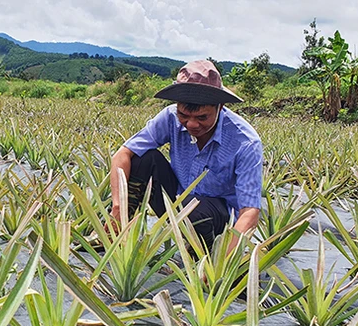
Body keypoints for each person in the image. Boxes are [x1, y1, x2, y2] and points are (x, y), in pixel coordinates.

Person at [110, 59, 262, 249]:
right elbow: (122, 154)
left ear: (220, 107)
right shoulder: (170, 117)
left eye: (202, 117)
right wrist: (117, 207)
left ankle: (204, 251)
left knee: (195, 209)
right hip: (178, 204)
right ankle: (118, 232)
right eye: (184, 115)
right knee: (143, 159)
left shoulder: (245, 142)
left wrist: (224, 260)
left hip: (216, 218)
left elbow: (250, 211)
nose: (191, 125)